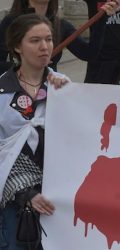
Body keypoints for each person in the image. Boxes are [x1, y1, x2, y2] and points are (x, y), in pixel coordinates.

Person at [0, 14, 69, 246]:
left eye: (49, 39)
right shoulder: (2, 91)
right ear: (17, 46)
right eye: (35, 40)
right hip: (15, 203)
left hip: (59, 201)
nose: (44, 47)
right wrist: (24, 193)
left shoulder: (65, 87)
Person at [0, 0, 115, 71]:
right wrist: (25, 67)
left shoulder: (60, 25)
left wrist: (102, 18)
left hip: (49, 89)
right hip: (17, 89)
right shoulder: (11, 22)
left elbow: (88, 53)